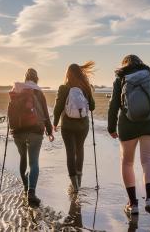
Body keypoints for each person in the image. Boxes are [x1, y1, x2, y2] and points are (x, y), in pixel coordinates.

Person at [107, 54, 150, 218]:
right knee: (148, 161)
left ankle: (133, 204)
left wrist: (111, 127)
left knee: (127, 162)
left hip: (127, 125)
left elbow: (113, 105)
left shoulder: (120, 79)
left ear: (124, 65)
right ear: (141, 63)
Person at [8, 68, 54, 207]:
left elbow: (11, 111)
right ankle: (31, 193)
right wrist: (49, 131)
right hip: (35, 131)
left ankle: (25, 188)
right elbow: (45, 113)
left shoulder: (16, 90)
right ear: (36, 78)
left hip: (17, 132)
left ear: (26, 77)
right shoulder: (38, 92)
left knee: (23, 158)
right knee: (33, 162)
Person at [53, 62, 96, 192]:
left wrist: (55, 123)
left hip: (67, 125)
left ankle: (74, 185)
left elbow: (58, 108)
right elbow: (92, 107)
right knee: (80, 150)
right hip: (83, 126)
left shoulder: (63, 88)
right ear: (80, 73)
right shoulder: (86, 87)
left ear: (68, 74)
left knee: (70, 152)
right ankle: (79, 179)